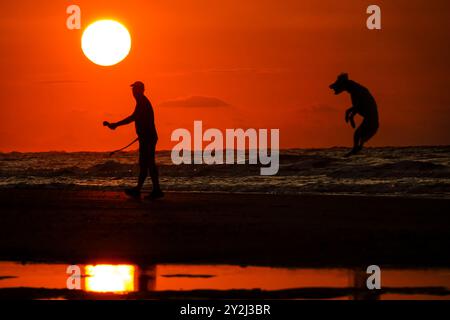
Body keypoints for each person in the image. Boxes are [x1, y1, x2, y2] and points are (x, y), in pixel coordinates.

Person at [105, 81, 164, 199]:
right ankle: (141, 189)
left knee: (148, 164)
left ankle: (154, 190)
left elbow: (133, 118)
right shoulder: (141, 102)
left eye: (135, 89)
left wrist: (116, 124)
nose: (133, 91)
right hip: (146, 137)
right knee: (145, 164)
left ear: (141, 90)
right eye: (133, 89)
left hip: (148, 138)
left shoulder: (142, 102)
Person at [329, 73, 379, 157]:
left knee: (357, 135)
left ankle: (355, 151)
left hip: (372, 119)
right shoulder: (354, 89)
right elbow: (358, 106)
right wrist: (351, 116)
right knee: (358, 136)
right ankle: (357, 150)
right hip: (371, 119)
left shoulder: (355, 90)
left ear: (344, 84)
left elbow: (359, 106)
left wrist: (349, 115)